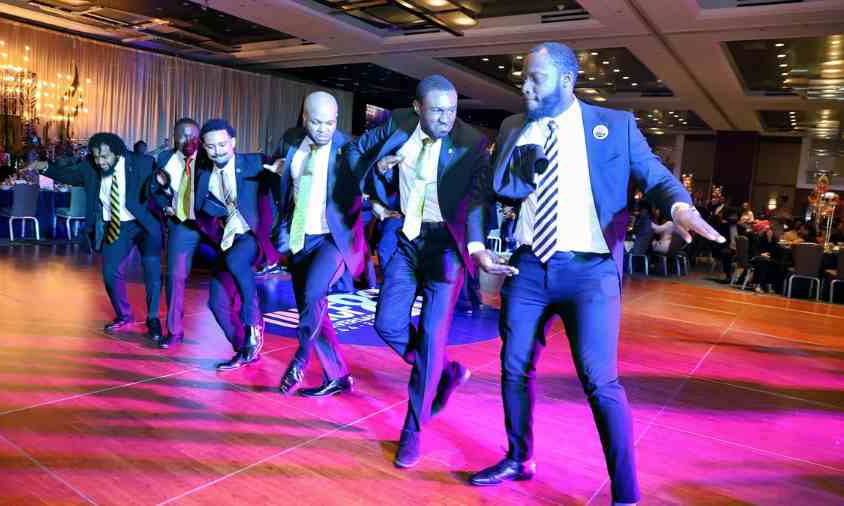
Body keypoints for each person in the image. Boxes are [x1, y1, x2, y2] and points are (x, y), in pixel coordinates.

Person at [468, 43, 724, 506]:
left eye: (536, 78)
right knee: (513, 367)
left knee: (599, 380)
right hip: (528, 269)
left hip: (590, 273)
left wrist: (680, 206)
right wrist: (477, 245)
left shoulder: (615, 126)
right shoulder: (512, 127)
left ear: (567, 81)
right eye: (523, 77)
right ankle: (519, 458)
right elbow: (483, 191)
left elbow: (654, 175)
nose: (525, 86)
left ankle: (625, 493)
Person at [345, 74, 515, 469]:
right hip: (407, 237)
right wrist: (378, 177)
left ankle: (412, 430)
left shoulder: (471, 142)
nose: (446, 118)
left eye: (452, 110)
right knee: (387, 324)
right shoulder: (395, 123)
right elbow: (354, 155)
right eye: (437, 110)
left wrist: (476, 247)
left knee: (433, 336)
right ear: (418, 107)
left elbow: (477, 200)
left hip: (447, 246)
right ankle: (442, 371)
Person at [263, 91, 364, 397]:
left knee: (313, 294)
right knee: (313, 307)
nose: (323, 129)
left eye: (330, 123)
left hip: (334, 240)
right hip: (299, 238)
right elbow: (282, 188)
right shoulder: (291, 140)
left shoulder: (348, 149)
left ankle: (301, 358)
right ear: (305, 118)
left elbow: (367, 186)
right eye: (317, 122)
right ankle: (338, 375)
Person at [34, 133, 163, 340]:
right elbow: (71, 176)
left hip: (144, 224)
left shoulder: (142, 163)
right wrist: (44, 167)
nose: (100, 162)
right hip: (117, 225)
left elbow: (159, 190)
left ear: (118, 153)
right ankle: (124, 315)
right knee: (110, 274)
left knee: (152, 273)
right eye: (96, 157)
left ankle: (153, 319)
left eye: (105, 157)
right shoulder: (91, 167)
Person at [178, 119, 276, 369]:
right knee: (217, 301)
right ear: (204, 147)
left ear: (233, 142)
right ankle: (244, 348)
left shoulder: (254, 163)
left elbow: (280, 180)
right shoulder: (204, 177)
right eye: (211, 147)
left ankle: (254, 324)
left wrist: (280, 172)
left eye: (222, 145)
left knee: (236, 261)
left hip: (253, 237)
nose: (217, 151)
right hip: (230, 239)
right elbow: (201, 213)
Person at [150, 118, 206, 347]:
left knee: (233, 277)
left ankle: (246, 337)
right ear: (173, 137)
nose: (188, 139)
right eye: (183, 135)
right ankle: (174, 331)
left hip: (211, 225)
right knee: (175, 276)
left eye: (193, 135)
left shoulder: (208, 157)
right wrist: (165, 206)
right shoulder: (165, 159)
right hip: (182, 225)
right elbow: (155, 190)